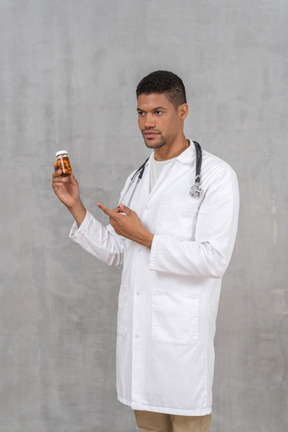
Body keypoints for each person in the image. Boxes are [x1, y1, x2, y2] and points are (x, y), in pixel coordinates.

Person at [52, 70, 239, 432]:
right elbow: (116, 251)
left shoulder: (215, 175)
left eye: (158, 112)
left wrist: (147, 238)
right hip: (143, 351)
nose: (147, 123)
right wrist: (75, 206)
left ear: (182, 111)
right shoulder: (137, 179)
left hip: (182, 347)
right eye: (141, 113)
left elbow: (214, 259)